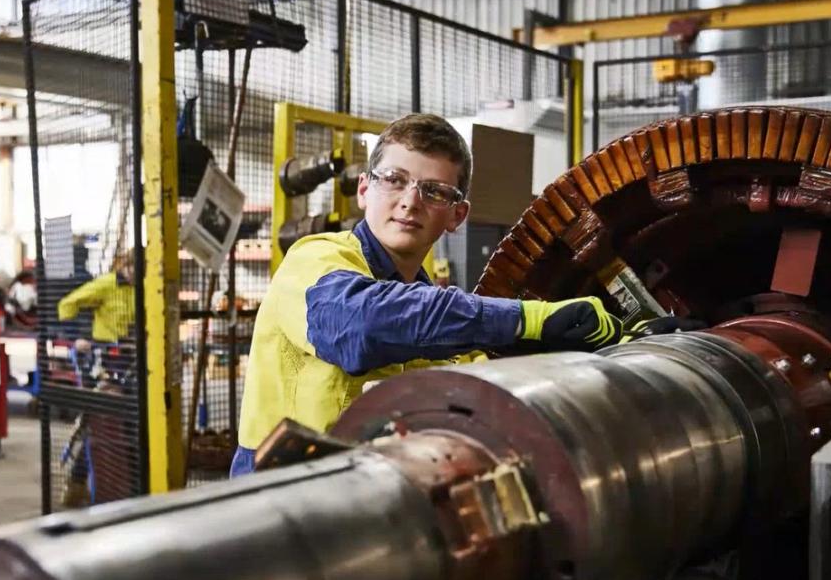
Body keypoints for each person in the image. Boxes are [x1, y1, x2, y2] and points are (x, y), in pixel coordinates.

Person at [232, 113, 689, 478]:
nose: (410, 201)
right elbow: (360, 327)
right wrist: (533, 320)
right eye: (394, 179)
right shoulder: (315, 261)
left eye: (433, 191)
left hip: (369, 493)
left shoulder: (427, 305)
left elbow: (480, 383)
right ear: (364, 190)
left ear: (457, 215)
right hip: (281, 493)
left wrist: (623, 351)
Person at [56, 254, 138, 507]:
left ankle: (133, 482)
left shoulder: (146, 289)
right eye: (135, 267)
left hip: (132, 358)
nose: (138, 273)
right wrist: (80, 336)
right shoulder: (105, 285)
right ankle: (78, 482)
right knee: (98, 422)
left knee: (131, 422)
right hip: (106, 359)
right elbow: (67, 305)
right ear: (124, 266)